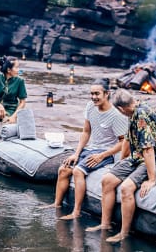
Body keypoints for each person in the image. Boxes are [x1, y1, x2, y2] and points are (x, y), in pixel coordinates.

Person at [86, 89, 156, 243]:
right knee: (107, 180)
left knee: (126, 188)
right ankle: (105, 224)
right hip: (138, 156)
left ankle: (124, 233)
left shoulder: (142, 114)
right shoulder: (133, 110)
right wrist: (120, 162)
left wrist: (152, 179)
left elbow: (148, 150)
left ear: (121, 109)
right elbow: (128, 140)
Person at [42, 79, 128, 220]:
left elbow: (123, 142)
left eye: (97, 94)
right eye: (92, 93)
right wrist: (76, 153)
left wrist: (102, 156)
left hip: (107, 153)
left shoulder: (116, 115)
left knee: (77, 171)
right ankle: (56, 204)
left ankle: (76, 211)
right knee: (63, 169)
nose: (94, 97)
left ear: (107, 94)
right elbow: (86, 132)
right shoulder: (90, 107)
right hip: (91, 149)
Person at [0, 56, 27, 140]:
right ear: (9, 70)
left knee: (6, 134)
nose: (19, 70)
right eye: (16, 67)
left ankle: (3, 122)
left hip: (11, 112)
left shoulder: (20, 81)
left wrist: (14, 116)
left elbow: (22, 102)